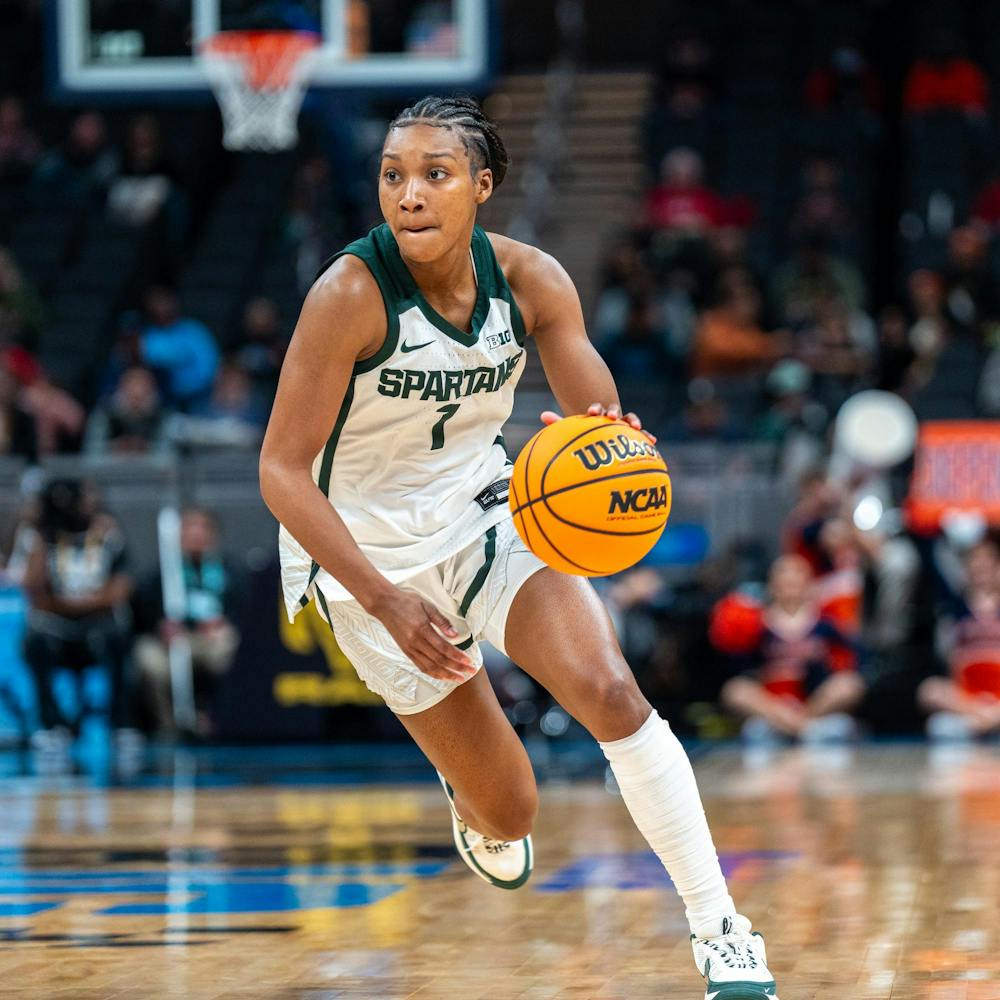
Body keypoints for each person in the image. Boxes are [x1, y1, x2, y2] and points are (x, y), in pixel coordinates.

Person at [259, 95, 779, 999]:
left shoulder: (533, 279)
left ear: (482, 187)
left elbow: (594, 406)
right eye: (393, 176)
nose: (409, 195)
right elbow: (280, 473)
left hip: (485, 511)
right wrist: (383, 598)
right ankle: (479, 811)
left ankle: (720, 929)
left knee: (612, 691)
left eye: (435, 174)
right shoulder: (347, 294)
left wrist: (606, 438)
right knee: (513, 807)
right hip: (368, 558)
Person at [21, 479, 136, 753]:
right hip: (59, 629)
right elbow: (34, 593)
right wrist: (40, 535)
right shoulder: (44, 539)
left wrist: (66, 604)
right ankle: (51, 724)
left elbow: (120, 591)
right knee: (35, 640)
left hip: (97, 626)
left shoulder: (108, 534)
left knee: (119, 636)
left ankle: (120, 723)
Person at [715, 555, 866, 742]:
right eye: (783, 576)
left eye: (797, 575)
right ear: (772, 585)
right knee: (735, 690)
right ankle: (803, 728)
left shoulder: (826, 624)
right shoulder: (756, 623)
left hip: (814, 702)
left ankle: (797, 724)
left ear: (809, 584)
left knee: (849, 684)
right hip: (773, 703)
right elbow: (741, 668)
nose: (790, 580)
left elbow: (850, 662)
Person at [133, 508, 242, 737]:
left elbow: (245, 609)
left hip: (213, 638)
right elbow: (142, 611)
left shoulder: (231, 571)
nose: (196, 535)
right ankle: (168, 725)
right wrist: (160, 626)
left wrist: (224, 622)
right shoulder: (162, 572)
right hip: (171, 641)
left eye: (202, 528)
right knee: (149, 661)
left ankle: (218, 720)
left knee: (229, 649)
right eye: (189, 528)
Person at [918, 538, 1000, 739]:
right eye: (975, 561)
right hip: (967, 698)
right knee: (929, 690)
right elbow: (933, 560)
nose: (980, 566)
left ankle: (986, 720)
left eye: (987, 561)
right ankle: (987, 720)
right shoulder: (955, 608)